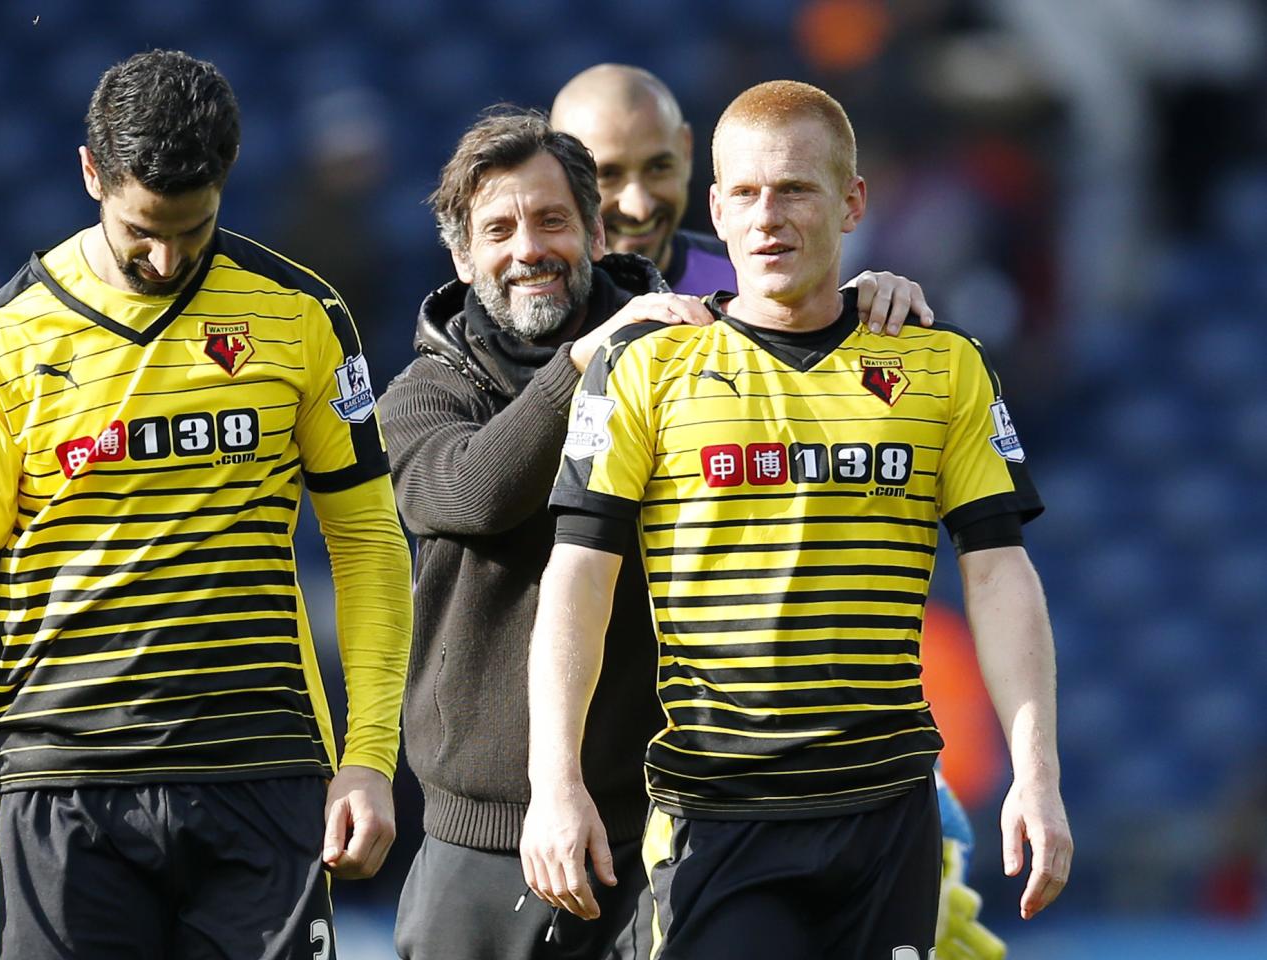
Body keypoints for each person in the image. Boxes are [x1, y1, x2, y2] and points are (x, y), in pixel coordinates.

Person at [0, 50, 412, 960]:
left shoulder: (302, 314)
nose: (166, 257)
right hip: (61, 788)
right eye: (141, 231)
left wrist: (369, 754)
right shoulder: (3, 344)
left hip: (261, 770)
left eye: (192, 230)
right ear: (91, 174)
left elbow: (365, 541)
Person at [522, 80, 1072, 958]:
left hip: (888, 818)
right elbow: (577, 581)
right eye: (744, 192)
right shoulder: (645, 367)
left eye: (796, 190)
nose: (767, 216)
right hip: (718, 817)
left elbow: (1000, 570)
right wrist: (554, 782)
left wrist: (1035, 776)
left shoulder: (941, 363)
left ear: (853, 201)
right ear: (716, 207)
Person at [380, 106, 929, 959]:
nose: (529, 249)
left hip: (665, 832)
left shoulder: (686, 346)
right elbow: (473, 494)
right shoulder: (423, 393)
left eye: (553, 220)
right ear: (462, 256)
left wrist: (855, 305)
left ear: (597, 231)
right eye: (499, 229)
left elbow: (783, 325)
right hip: (477, 842)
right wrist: (585, 366)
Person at [550, 63, 927, 333]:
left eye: (658, 168)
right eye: (608, 175)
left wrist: (871, 302)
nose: (640, 206)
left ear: (685, 151)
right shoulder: (532, 294)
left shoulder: (757, 266)